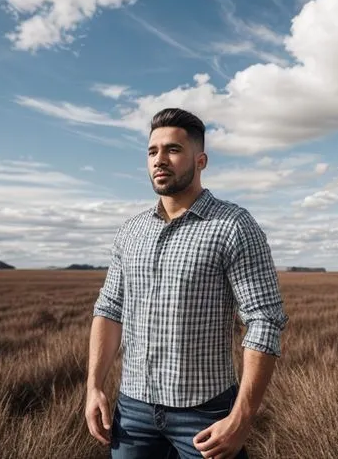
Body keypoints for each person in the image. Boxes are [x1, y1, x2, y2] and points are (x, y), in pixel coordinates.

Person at [85, 108, 288, 459]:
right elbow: (109, 309)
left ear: (201, 160)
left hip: (205, 415)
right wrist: (94, 387)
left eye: (173, 150)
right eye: (152, 152)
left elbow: (264, 319)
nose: (159, 160)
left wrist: (241, 417)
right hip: (132, 413)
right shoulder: (130, 231)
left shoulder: (233, 226)